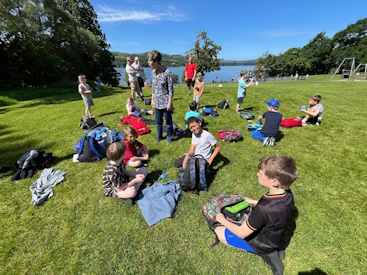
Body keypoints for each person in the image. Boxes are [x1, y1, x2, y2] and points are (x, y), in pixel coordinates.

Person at [214, 156, 298, 274]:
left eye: (261, 173)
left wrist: (221, 219)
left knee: (218, 231)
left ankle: (268, 254)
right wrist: (253, 202)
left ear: (274, 182)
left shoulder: (263, 209)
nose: (257, 174)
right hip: (276, 237)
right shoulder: (288, 194)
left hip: (262, 244)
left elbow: (241, 233)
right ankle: (276, 247)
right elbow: (276, 209)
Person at [102, 142, 147, 206]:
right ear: (121, 155)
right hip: (114, 189)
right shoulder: (112, 171)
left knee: (144, 170)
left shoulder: (119, 161)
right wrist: (135, 181)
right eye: (124, 151)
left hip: (122, 179)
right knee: (132, 192)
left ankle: (131, 194)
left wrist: (135, 175)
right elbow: (118, 188)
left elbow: (125, 171)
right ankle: (132, 194)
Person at [148, 49, 174, 145]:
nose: (148, 63)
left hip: (166, 101)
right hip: (157, 101)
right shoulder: (153, 73)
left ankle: (169, 137)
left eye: (150, 61)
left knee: (168, 122)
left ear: (156, 61)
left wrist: (169, 102)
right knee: (158, 121)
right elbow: (153, 88)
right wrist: (152, 100)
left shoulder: (167, 72)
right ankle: (159, 136)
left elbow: (171, 89)